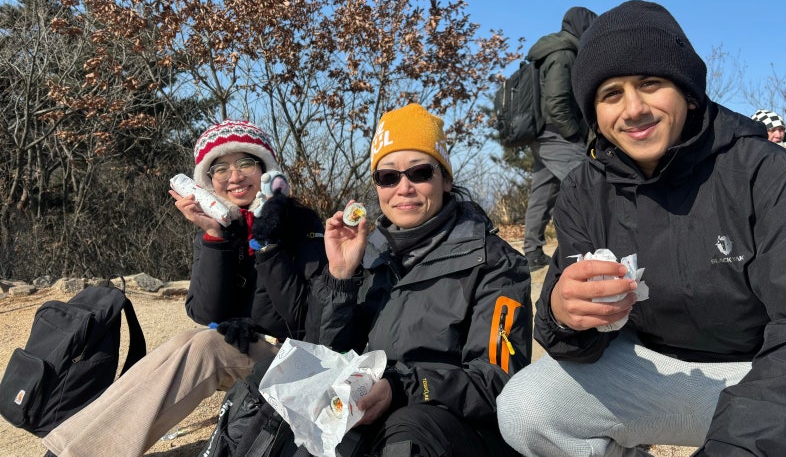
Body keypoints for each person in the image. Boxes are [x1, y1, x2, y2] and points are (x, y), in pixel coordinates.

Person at [496, 0, 786, 456]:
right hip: (655, 378)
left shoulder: (769, 173)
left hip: (771, 374)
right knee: (527, 407)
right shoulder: (583, 191)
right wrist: (562, 315)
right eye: (611, 94)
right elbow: (574, 345)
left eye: (650, 84)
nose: (633, 109)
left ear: (687, 91)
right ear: (594, 113)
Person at [42, 120, 327, 456]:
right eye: (220, 168)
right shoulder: (223, 226)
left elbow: (306, 319)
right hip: (249, 349)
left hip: (296, 359)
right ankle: (66, 447)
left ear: (266, 169)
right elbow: (205, 313)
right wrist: (215, 238)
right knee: (186, 340)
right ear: (207, 182)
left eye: (246, 163)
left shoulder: (300, 223)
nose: (234, 176)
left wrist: (266, 245)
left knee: (208, 346)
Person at [308, 103, 533, 456]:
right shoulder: (368, 255)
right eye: (389, 176)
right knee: (261, 393)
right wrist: (340, 278)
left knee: (407, 428)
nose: (404, 188)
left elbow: (500, 384)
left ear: (445, 179)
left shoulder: (495, 264)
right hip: (370, 415)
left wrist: (403, 388)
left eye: (420, 172)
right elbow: (325, 360)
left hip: (452, 429)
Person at [522, 6, 597, 271]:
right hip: (556, 133)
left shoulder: (552, 49)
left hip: (543, 133)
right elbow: (556, 102)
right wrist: (573, 133)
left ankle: (531, 252)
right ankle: (596, 248)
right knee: (589, 184)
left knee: (543, 191)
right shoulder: (564, 54)